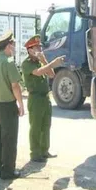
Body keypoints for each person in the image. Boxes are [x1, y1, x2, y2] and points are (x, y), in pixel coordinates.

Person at [0, 30, 25, 180]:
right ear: (8, 46)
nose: (14, 48)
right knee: (9, 139)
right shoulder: (8, 62)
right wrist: (21, 104)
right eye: (13, 45)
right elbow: (15, 86)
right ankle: (8, 170)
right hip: (8, 105)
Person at [21, 35, 64, 163]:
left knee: (46, 125)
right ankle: (35, 153)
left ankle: (44, 151)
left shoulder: (41, 61)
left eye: (40, 47)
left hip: (45, 97)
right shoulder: (26, 63)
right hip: (35, 98)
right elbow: (38, 72)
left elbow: (51, 74)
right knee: (36, 126)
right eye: (37, 47)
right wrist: (53, 63)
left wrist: (45, 60)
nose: (40, 49)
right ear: (30, 50)